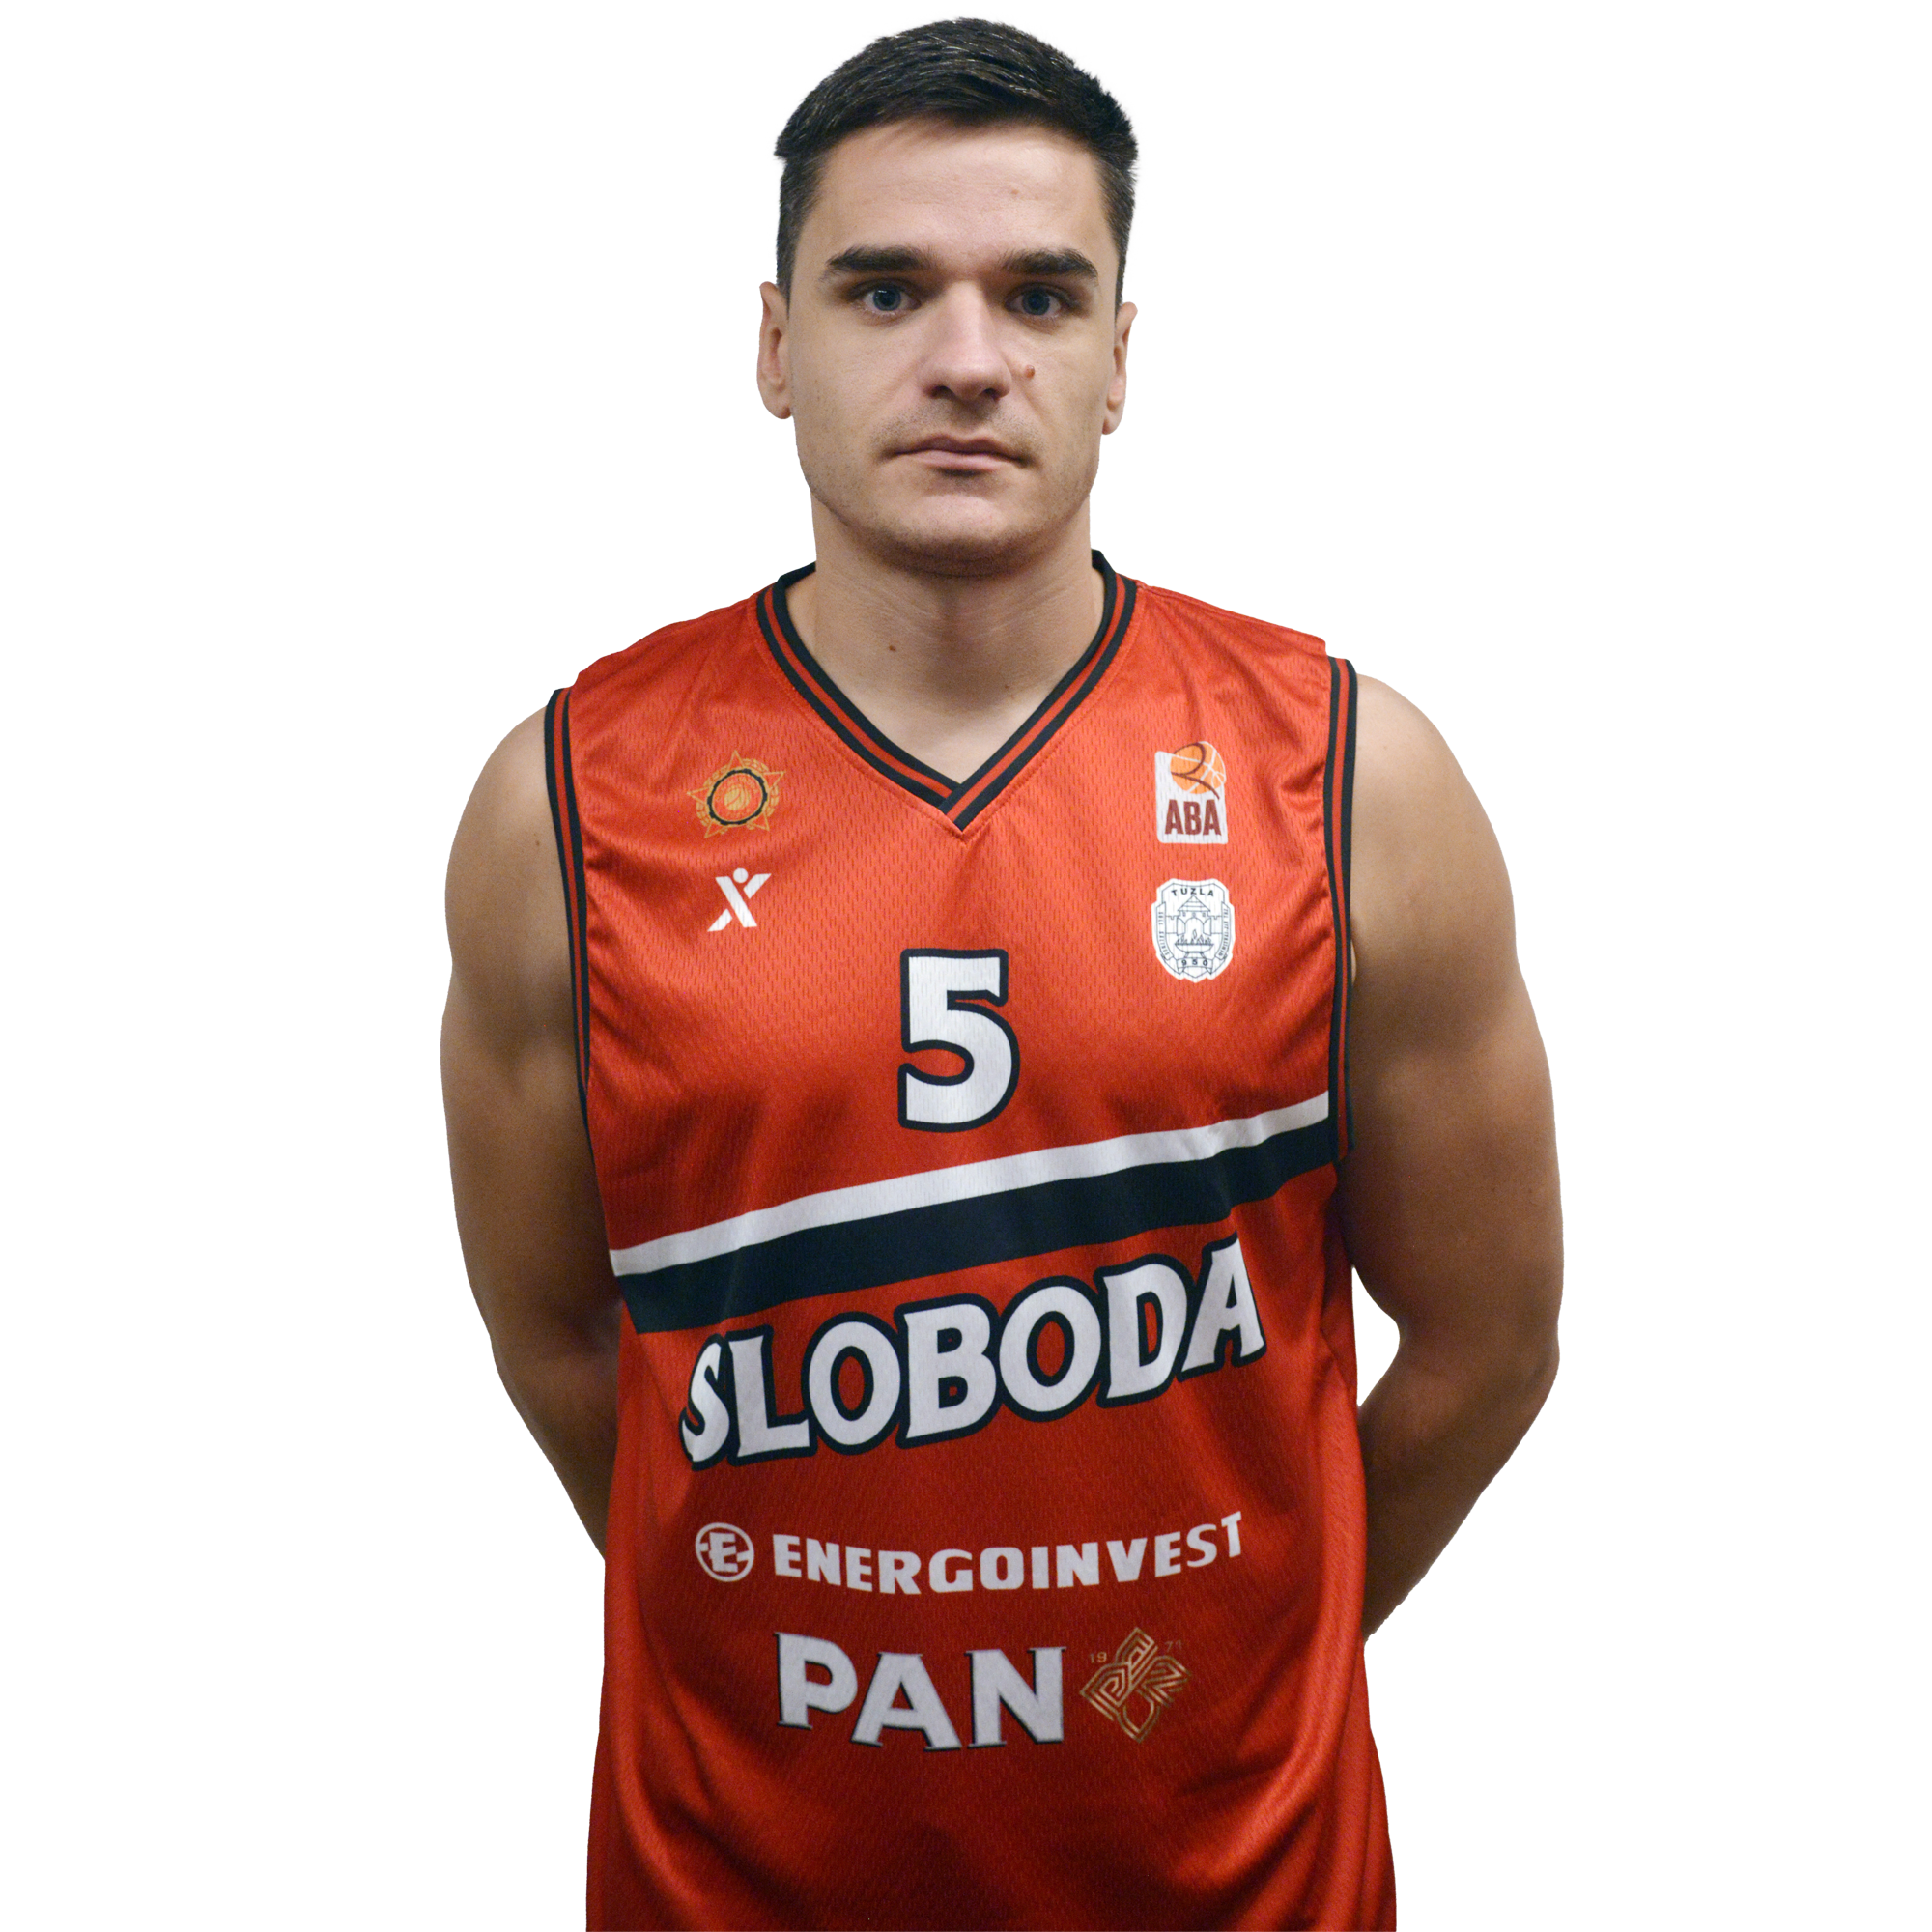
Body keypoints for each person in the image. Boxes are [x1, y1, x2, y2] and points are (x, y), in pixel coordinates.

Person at [441, 17, 1560, 1930]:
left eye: (1039, 294)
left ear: (1117, 356)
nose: (967, 356)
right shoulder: (563, 800)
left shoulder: (1349, 779)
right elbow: (562, 1341)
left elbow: (1489, 1338)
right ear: (776, 344)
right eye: (884, 289)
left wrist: (1256, 1655)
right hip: (736, 1883)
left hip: (1235, 1883)